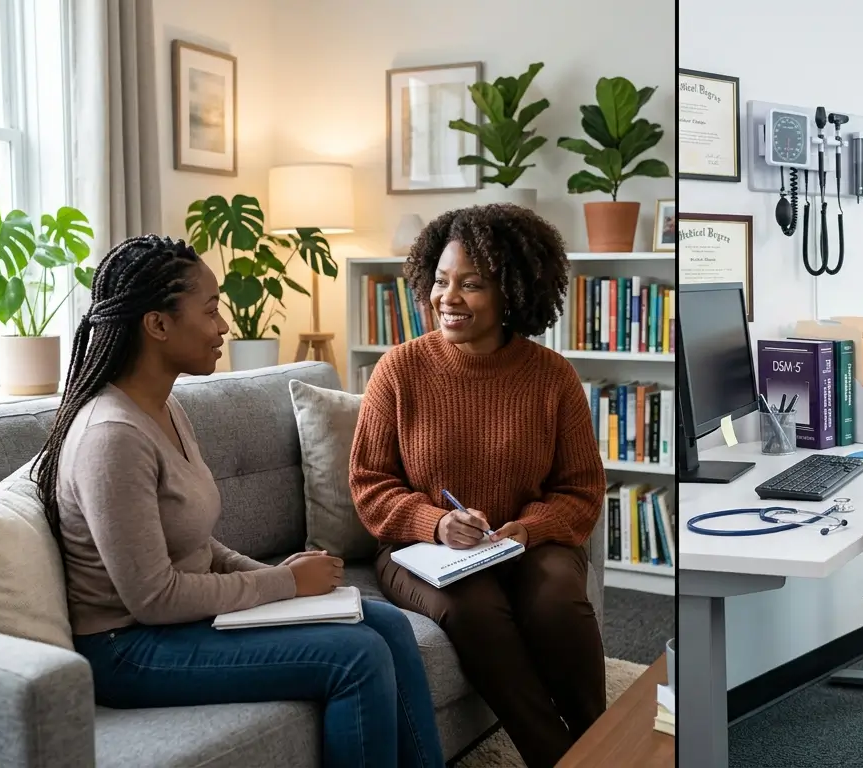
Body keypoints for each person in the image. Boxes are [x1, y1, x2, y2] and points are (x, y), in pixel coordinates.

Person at [32, 235, 446, 767]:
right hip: (126, 648)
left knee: (384, 622)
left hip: (177, 623)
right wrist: (283, 584)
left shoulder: (165, 409)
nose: (224, 325)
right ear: (157, 325)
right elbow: (152, 599)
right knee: (355, 657)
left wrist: (288, 583)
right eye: (210, 311)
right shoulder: (112, 436)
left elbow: (195, 542)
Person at [350, 203, 608, 768]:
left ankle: (604, 743)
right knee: (476, 610)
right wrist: (436, 523)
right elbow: (370, 486)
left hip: (524, 543)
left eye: (471, 284)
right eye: (441, 282)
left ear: (511, 290)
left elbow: (581, 491)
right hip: (420, 551)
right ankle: (560, 758)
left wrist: (524, 530)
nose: (449, 298)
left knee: (558, 603)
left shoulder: (551, 376)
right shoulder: (399, 370)